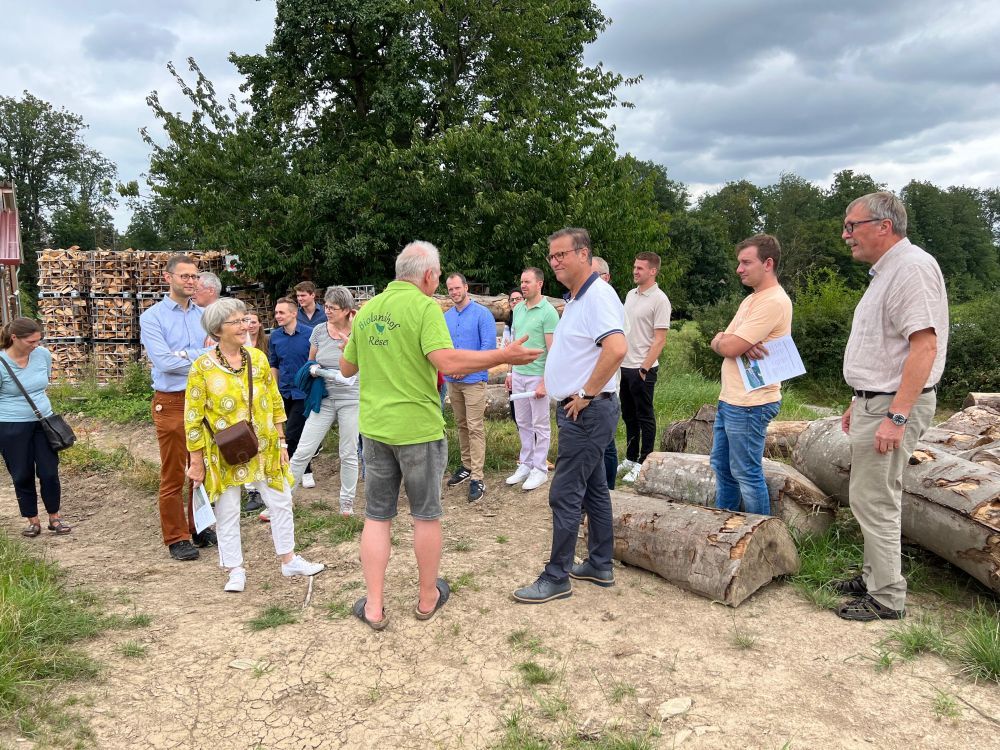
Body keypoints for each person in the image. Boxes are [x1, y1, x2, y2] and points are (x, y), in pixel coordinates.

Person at [340, 240, 540, 630]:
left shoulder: (368, 311)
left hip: (376, 430)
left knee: (377, 517)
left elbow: (348, 368)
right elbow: (446, 363)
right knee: (425, 515)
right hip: (417, 430)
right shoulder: (424, 308)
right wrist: (502, 356)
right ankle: (427, 597)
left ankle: (375, 606)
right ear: (429, 276)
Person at [835, 192, 948, 622]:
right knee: (873, 495)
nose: (846, 236)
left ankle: (886, 597)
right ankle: (874, 576)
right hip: (876, 400)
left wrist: (896, 416)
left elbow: (924, 347)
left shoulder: (912, 268)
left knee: (875, 498)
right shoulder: (889, 271)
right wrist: (857, 399)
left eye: (852, 226)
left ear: (884, 226)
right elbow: (886, 348)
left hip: (892, 405)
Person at [513, 228, 625, 604]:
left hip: (587, 412)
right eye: (552, 256)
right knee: (594, 490)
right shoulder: (577, 298)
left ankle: (556, 576)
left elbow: (616, 348)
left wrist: (587, 394)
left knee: (564, 494)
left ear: (584, 254)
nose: (556, 261)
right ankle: (599, 563)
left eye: (562, 254)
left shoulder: (598, 296)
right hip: (583, 411)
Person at [185, 298, 325, 592]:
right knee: (228, 510)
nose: (244, 326)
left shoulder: (258, 358)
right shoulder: (202, 367)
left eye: (244, 319)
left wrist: (283, 440)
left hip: (266, 446)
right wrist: (196, 462)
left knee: (281, 500)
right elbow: (193, 418)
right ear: (217, 329)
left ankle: (289, 560)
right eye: (235, 322)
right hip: (225, 451)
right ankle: (235, 569)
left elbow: (274, 401)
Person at [709, 234, 792, 516]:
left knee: (746, 472)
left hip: (751, 403)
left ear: (768, 263)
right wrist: (726, 342)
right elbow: (723, 342)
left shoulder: (773, 302)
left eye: (746, 262)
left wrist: (727, 342)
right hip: (732, 398)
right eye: (739, 262)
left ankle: (759, 536)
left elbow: (729, 344)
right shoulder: (752, 300)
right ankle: (726, 524)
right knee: (722, 466)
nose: (739, 269)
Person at [139, 254, 213, 560]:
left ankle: (199, 525)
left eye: (194, 276)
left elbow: (217, 353)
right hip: (171, 402)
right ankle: (176, 536)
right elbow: (164, 362)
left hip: (203, 398)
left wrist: (186, 355)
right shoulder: (152, 317)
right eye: (184, 276)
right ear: (168, 278)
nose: (191, 281)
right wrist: (200, 356)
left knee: (203, 467)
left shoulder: (204, 315)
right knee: (173, 473)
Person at [287, 286, 360, 516]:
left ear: (347, 310)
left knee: (348, 452)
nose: (327, 311)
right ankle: (283, 499)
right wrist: (317, 370)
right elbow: (311, 363)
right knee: (302, 450)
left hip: (352, 398)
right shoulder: (319, 330)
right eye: (326, 306)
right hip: (324, 398)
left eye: (333, 308)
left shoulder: (359, 330)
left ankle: (346, 503)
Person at [0, 318, 70, 537]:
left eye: (39, 340)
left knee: (49, 472)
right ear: (14, 339)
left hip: (44, 422)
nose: (36, 345)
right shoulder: (2, 363)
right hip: (11, 425)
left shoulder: (43, 355)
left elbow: (43, 384)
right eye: (31, 341)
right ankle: (32, 519)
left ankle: (55, 517)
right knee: (21, 473)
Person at [442, 272, 496, 502]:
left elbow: (488, 350)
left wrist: (465, 369)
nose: (454, 292)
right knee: (461, 425)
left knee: (475, 427)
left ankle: (477, 476)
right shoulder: (446, 317)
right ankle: (466, 465)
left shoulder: (482, 315)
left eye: (457, 288)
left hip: (474, 381)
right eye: (450, 289)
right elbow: (443, 346)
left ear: (466, 287)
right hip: (453, 381)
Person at [504, 268, 558, 491]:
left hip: (537, 374)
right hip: (518, 374)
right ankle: (525, 464)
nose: (523, 285)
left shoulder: (548, 312)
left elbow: (552, 351)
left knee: (540, 424)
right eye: (521, 282)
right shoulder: (518, 310)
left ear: (540, 284)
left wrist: (545, 382)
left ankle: (540, 469)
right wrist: (509, 372)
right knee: (523, 422)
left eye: (527, 282)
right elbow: (514, 344)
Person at [619, 251, 670, 484]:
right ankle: (630, 458)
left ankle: (643, 462)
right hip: (624, 365)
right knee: (628, 415)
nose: (635, 271)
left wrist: (644, 368)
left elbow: (660, 338)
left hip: (643, 368)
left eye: (640, 268)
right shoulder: (630, 294)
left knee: (644, 416)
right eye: (634, 266)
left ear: (653, 271)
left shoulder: (660, 299)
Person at [268, 298, 315, 489]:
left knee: (293, 433)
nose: (277, 316)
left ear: (293, 313)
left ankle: (289, 473)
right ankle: (306, 469)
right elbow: (274, 364)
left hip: (303, 391)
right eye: (276, 313)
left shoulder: (309, 334)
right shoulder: (275, 337)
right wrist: (274, 389)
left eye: (281, 313)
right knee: (292, 432)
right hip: (283, 391)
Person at [592, 256, 619, 490]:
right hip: (589, 387)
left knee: (606, 443)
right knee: (595, 447)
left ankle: (608, 489)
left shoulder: (608, 300)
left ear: (606, 277)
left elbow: (615, 347)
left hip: (604, 387)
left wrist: (587, 393)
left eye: (594, 275)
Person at [242, 312, 270, 512]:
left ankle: (263, 488)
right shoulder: (236, 344)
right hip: (240, 400)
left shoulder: (265, 343)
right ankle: (250, 489)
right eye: (245, 321)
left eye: (253, 321)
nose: (249, 325)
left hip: (262, 399)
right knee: (243, 442)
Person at [502, 288, 524, 423]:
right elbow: (507, 350)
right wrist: (509, 374)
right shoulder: (508, 325)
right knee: (517, 413)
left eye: (518, 299)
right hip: (514, 370)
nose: (515, 302)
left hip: (531, 370)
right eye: (512, 300)